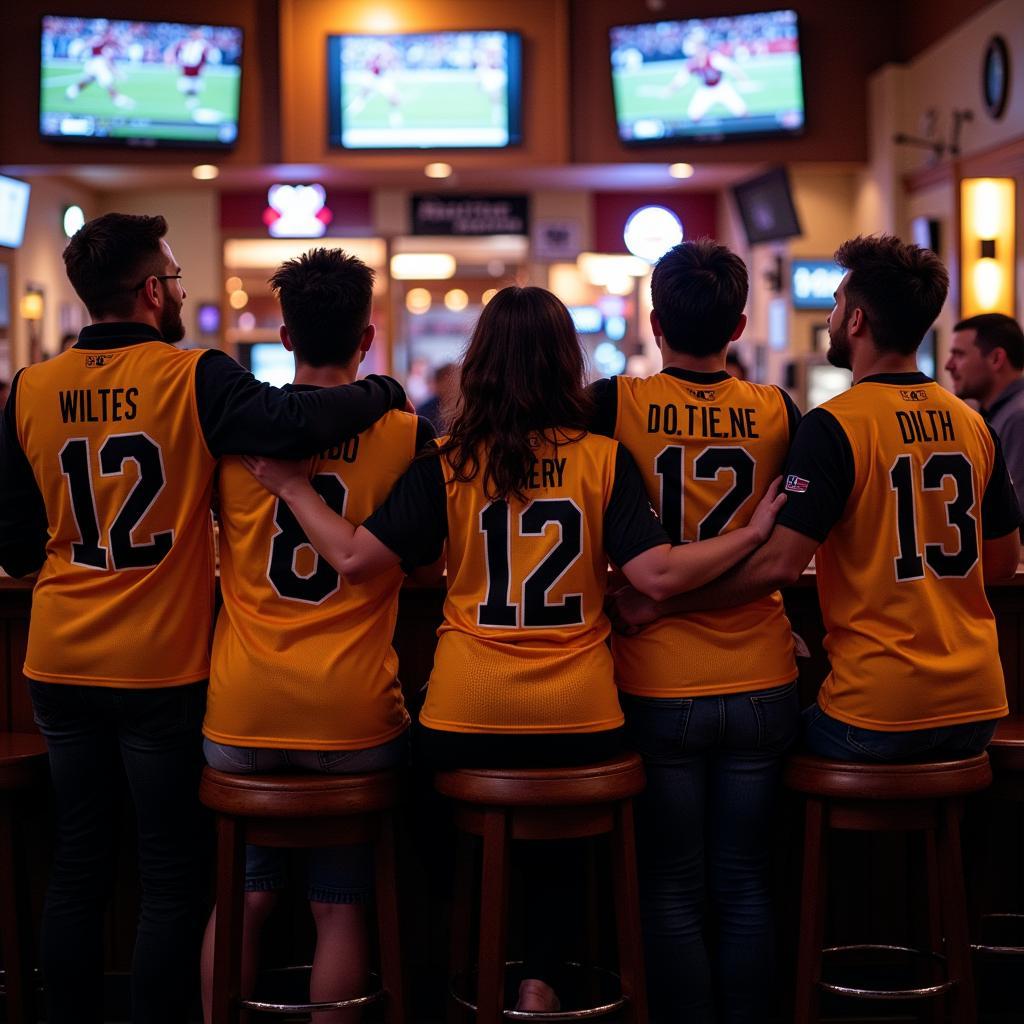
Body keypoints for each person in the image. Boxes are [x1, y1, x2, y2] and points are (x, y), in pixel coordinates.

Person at [243, 285, 786, 1015]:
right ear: (569, 364)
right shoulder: (601, 457)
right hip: (583, 719)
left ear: (477, 364)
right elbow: (656, 573)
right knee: (561, 844)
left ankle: (456, 972)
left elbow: (352, 558)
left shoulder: (449, 461)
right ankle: (541, 974)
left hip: (465, 717)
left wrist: (295, 489)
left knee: (427, 816)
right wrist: (752, 534)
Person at [0, 212, 408, 1024]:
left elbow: (14, 551)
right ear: (153, 291)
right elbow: (298, 424)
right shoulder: (193, 377)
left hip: (56, 660)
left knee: (77, 865)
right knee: (168, 874)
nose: (180, 292)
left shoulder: (28, 389)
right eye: (178, 279)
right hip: (159, 665)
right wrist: (385, 389)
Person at [614, 235, 1021, 767]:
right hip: (978, 707)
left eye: (835, 303)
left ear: (856, 322)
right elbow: (1001, 562)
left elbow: (780, 566)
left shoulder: (836, 425)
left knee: (778, 749)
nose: (831, 315)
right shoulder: (975, 426)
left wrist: (660, 603)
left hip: (875, 712)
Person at [200, 247, 434, 1023]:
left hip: (241, 717)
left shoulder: (236, 436)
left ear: (285, 334)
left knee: (245, 900)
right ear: (368, 339)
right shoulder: (406, 434)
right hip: (352, 718)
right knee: (340, 910)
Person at [590, 239, 801, 1024]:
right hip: (762, 673)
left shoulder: (615, 403)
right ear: (740, 323)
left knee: (671, 882)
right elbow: (788, 551)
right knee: (745, 878)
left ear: (653, 322)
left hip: (656, 681)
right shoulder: (781, 409)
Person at [945, 312, 1024, 510]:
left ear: (996, 358)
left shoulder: (1018, 418)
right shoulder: (994, 415)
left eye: (959, 354)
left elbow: (1013, 515)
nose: (948, 365)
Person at [415, 361, 458, 434]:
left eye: (455, 381)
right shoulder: (424, 411)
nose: (452, 386)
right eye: (447, 381)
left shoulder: (463, 407)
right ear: (437, 383)